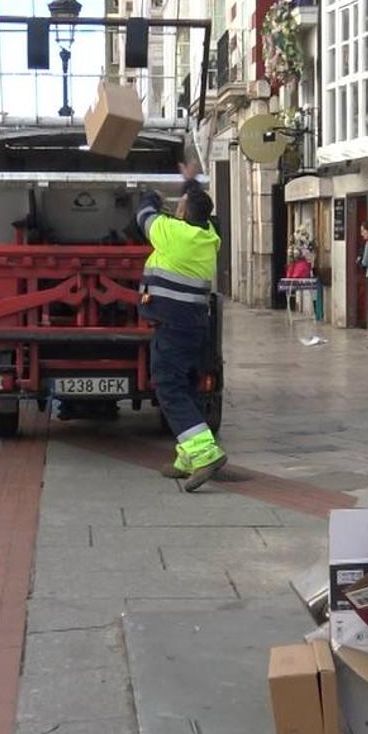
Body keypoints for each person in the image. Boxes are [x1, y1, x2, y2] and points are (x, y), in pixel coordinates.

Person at [135, 160, 225, 493]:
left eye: (180, 207)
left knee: (168, 387)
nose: (177, 210)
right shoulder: (207, 236)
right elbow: (198, 208)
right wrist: (189, 185)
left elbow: (144, 218)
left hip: (171, 326)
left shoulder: (173, 234)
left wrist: (149, 196)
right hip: (194, 324)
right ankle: (186, 456)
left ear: (184, 215)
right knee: (187, 387)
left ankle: (204, 453)